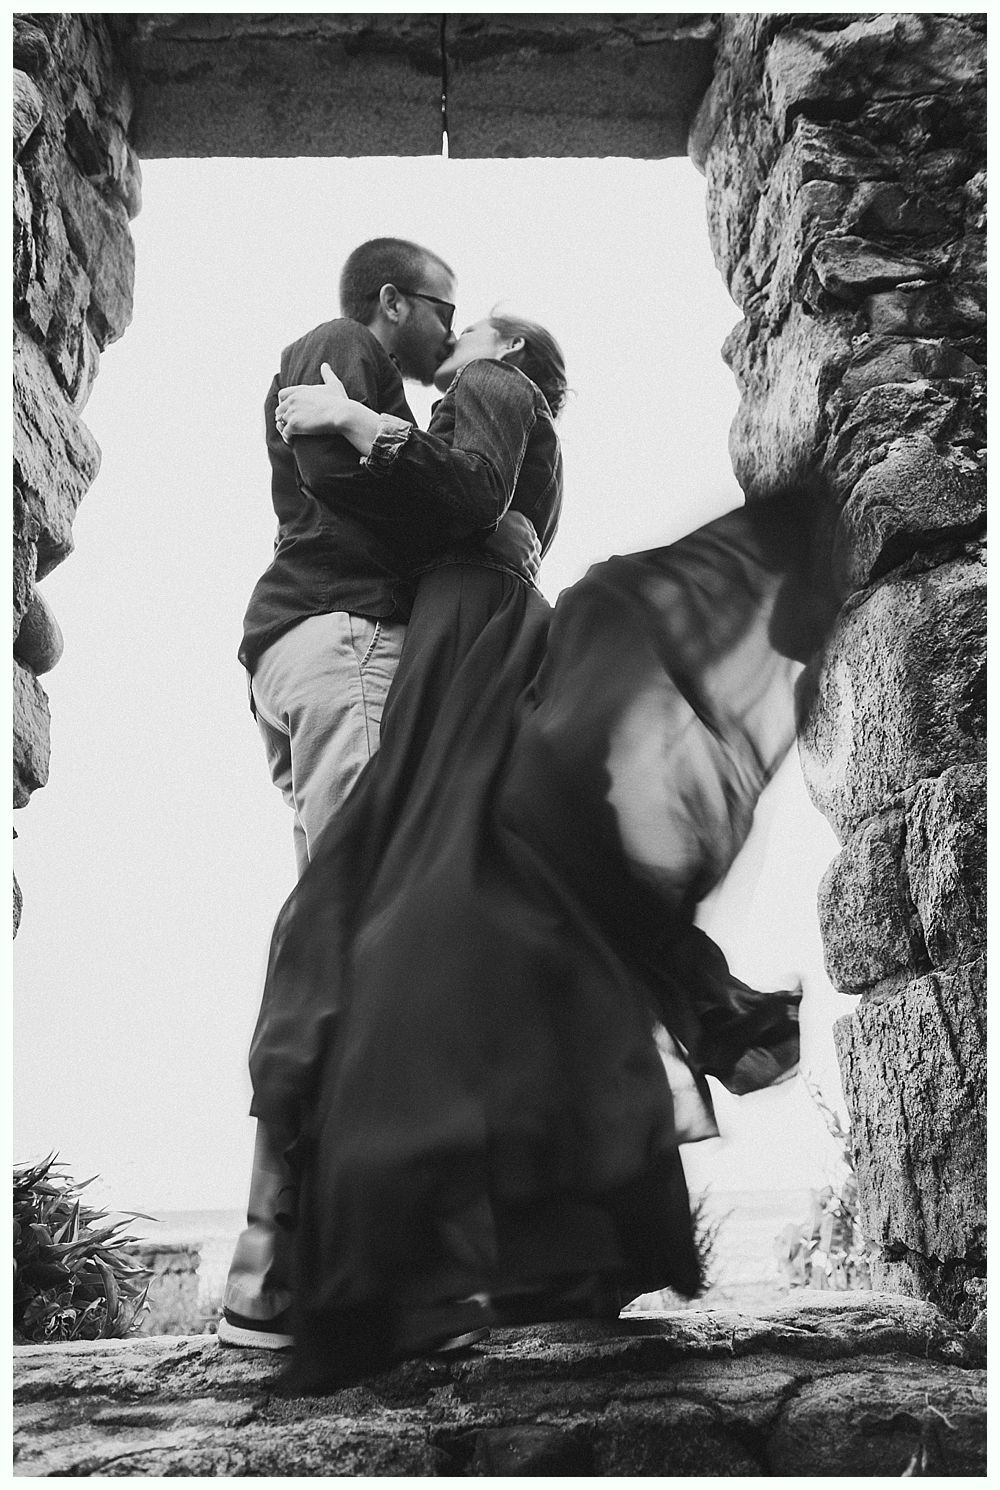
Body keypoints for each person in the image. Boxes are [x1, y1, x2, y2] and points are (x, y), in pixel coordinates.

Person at [246, 311, 837, 1390]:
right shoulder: (497, 412)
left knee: (423, 889)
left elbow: (471, 493)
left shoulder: (497, 389)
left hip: (469, 641)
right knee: (488, 893)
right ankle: (537, 1240)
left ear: (510, 350)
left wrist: (349, 418)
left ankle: (386, 1248)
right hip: (464, 632)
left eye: (470, 328)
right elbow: (464, 506)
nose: (454, 342)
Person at [220, 245, 540, 1351]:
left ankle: (300, 1269)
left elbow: (408, 487)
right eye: (443, 309)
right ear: (394, 302)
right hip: (347, 643)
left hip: (320, 652)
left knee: (345, 936)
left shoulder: (388, 385)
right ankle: (316, 1277)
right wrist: (472, 513)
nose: (451, 331)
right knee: (369, 942)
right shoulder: (342, 348)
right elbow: (355, 476)